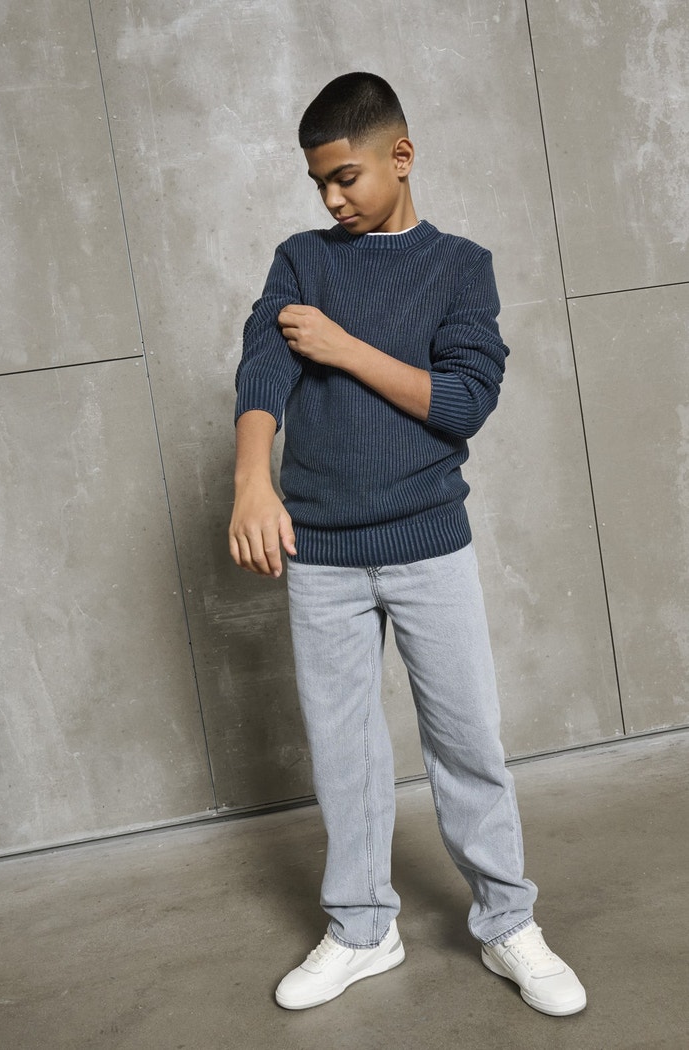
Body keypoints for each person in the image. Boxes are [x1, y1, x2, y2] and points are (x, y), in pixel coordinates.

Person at [229, 72, 586, 1018]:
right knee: (342, 752)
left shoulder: (461, 267)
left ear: (401, 155)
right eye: (318, 183)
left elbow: (462, 401)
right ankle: (361, 930)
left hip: (429, 543)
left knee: (467, 743)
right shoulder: (300, 260)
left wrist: (343, 347)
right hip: (320, 553)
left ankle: (508, 922)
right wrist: (253, 479)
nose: (331, 199)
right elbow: (263, 365)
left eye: (344, 176)